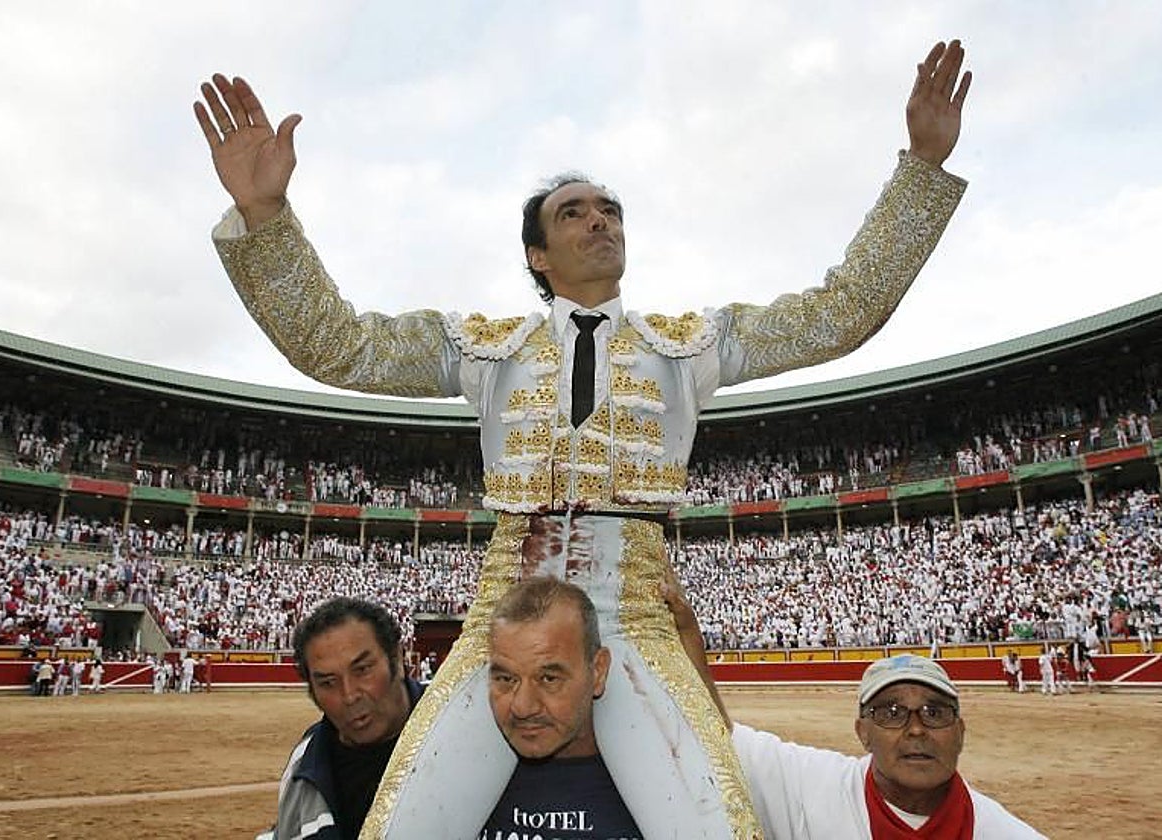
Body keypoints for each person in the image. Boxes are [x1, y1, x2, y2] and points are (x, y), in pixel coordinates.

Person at [196, 39, 971, 839]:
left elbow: (840, 313)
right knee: (401, 830)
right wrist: (265, 218)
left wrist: (920, 167)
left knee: (720, 830)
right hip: (506, 604)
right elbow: (340, 347)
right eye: (574, 212)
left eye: (610, 210)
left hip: (633, 613)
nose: (599, 220)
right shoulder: (483, 346)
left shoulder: (690, 342)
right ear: (538, 254)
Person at [661, 575, 1045, 839]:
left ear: (960, 733)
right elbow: (719, 739)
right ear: (862, 732)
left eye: (935, 713)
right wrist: (688, 636)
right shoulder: (815, 786)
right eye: (891, 713)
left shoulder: (1002, 831)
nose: (916, 729)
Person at [480, 577, 641, 839]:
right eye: (505, 679)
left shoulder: (660, 784)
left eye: (549, 679)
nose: (522, 707)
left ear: (598, 671)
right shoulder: (459, 778)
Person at [257, 597, 423, 840]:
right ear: (312, 690)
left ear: (397, 660)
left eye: (363, 669)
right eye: (328, 683)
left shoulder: (463, 733)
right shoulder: (302, 764)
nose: (349, 695)